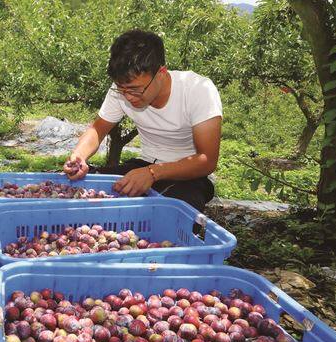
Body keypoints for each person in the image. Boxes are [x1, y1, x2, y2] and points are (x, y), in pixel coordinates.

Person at [65, 29, 222, 211]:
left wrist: (153, 173)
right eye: (121, 89)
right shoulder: (123, 89)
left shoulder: (197, 89)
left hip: (188, 176)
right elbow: (97, 130)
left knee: (172, 211)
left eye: (135, 90)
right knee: (78, 189)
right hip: (143, 166)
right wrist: (79, 156)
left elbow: (207, 160)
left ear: (161, 73)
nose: (128, 96)